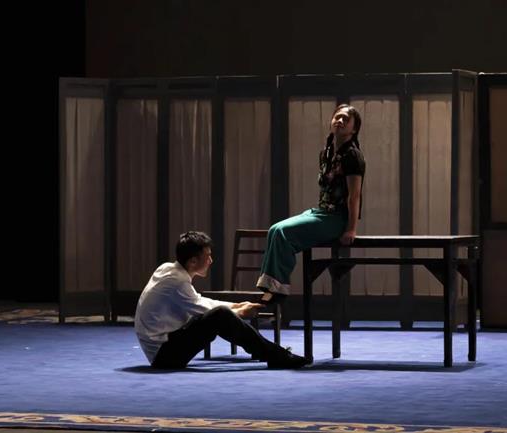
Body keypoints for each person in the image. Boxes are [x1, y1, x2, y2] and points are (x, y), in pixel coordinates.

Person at [134, 231, 308, 369]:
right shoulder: (177, 281)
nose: (211, 260)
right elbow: (209, 311)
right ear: (193, 261)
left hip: (165, 345)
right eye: (207, 256)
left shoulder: (168, 269)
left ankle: (271, 353)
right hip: (165, 356)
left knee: (221, 313)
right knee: (220, 316)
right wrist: (241, 312)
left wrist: (235, 305)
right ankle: (275, 355)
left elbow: (199, 301)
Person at [257, 104, 366, 305]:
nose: (340, 121)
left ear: (354, 129)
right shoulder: (326, 153)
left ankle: (278, 288)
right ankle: (269, 285)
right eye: (337, 117)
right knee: (274, 229)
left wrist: (351, 229)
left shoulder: (352, 155)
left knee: (282, 232)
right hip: (321, 212)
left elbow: (354, 195)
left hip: (337, 218)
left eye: (346, 119)